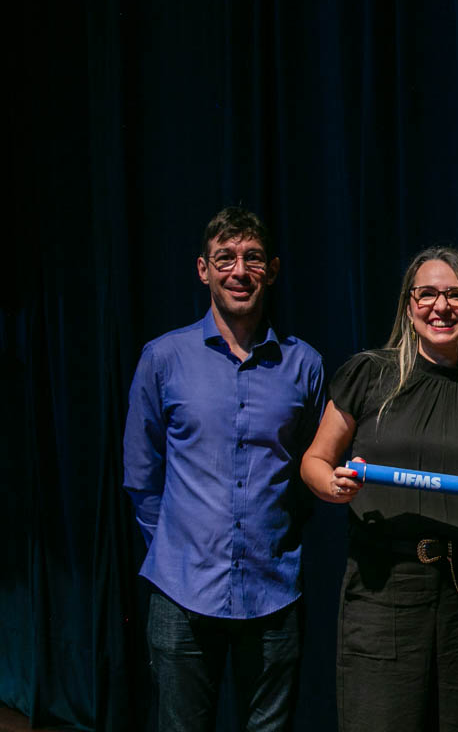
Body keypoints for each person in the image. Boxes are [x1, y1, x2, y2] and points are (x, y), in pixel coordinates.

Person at [123, 207, 326, 731]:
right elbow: (142, 476)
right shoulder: (163, 358)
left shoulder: (304, 365)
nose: (239, 271)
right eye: (225, 258)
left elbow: (311, 469)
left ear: (272, 270)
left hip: (273, 590)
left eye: (253, 258)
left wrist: (275, 537)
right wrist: (175, 549)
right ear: (203, 269)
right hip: (181, 591)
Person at [300, 246, 458, 732]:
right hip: (382, 586)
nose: (441, 307)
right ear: (409, 305)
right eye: (427, 294)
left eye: (456, 295)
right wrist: (332, 485)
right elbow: (314, 461)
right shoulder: (369, 373)